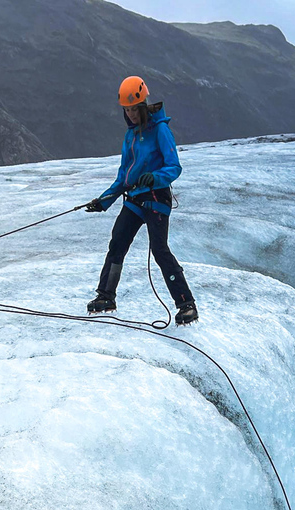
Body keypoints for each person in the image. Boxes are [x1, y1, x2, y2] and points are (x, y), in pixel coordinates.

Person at [85, 76, 198, 325]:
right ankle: (106, 296)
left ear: (143, 105)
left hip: (157, 197)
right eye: (127, 110)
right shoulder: (131, 136)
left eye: (134, 109)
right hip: (135, 200)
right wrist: (102, 201)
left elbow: (174, 167)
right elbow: (124, 178)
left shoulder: (160, 130)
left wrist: (154, 178)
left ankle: (186, 304)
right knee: (118, 242)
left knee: (159, 249)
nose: (131, 114)